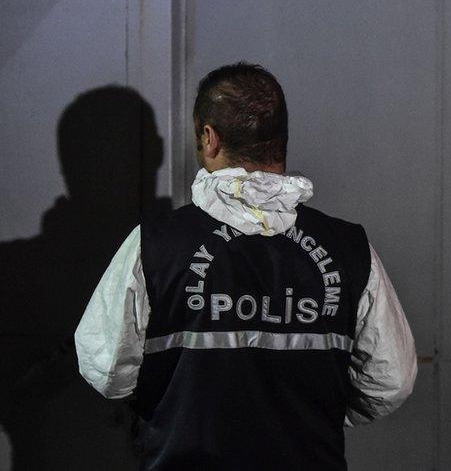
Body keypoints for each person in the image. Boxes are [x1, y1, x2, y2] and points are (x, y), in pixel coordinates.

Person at [74, 62, 417, 470]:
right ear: (279, 142)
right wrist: (315, 418)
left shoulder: (154, 244)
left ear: (209, 137)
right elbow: (390, 381)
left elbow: (106, 369)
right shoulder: (350, 249)